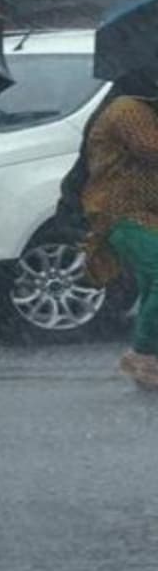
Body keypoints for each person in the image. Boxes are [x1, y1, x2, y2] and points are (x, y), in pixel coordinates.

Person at [74, 69, 158, 388]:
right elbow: (151, 148)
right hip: (124, 213)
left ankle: (149, 360)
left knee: (152, 285)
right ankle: (144, 354)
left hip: (151, 211)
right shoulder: (127, 110)